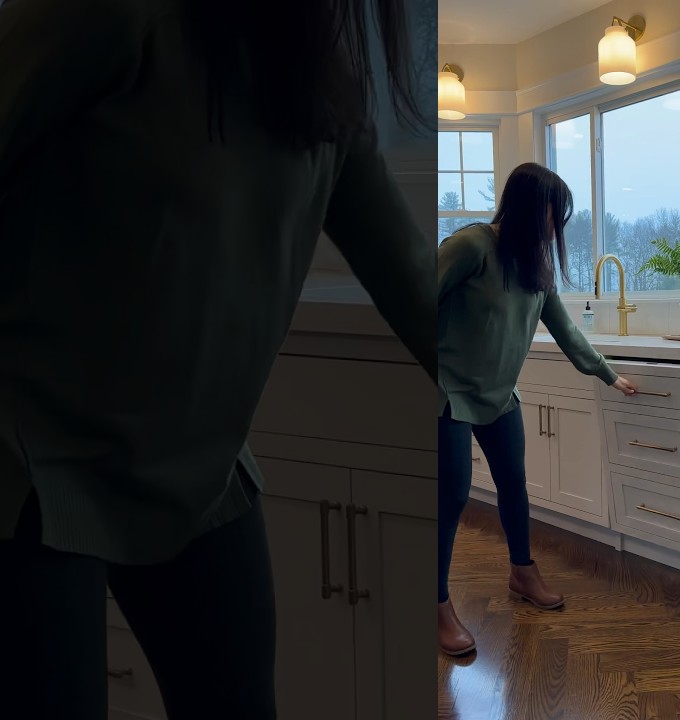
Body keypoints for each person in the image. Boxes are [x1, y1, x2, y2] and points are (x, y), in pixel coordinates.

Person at [0, 0, 436, 717]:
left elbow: (416, 283)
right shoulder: (109, 15)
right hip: (32, 469)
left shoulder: (318, 83)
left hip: (198, 472)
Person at [437, 162, 637, 656]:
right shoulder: (471, 246)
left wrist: (608, 374)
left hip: (500, 395)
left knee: (514, 485)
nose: (557, 224)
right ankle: (436, 604)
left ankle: (522, 573)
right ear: (530, 206)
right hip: (447, 391)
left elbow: (566, 331)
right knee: (452, 496)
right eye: (554, 212)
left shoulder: (535, 265)